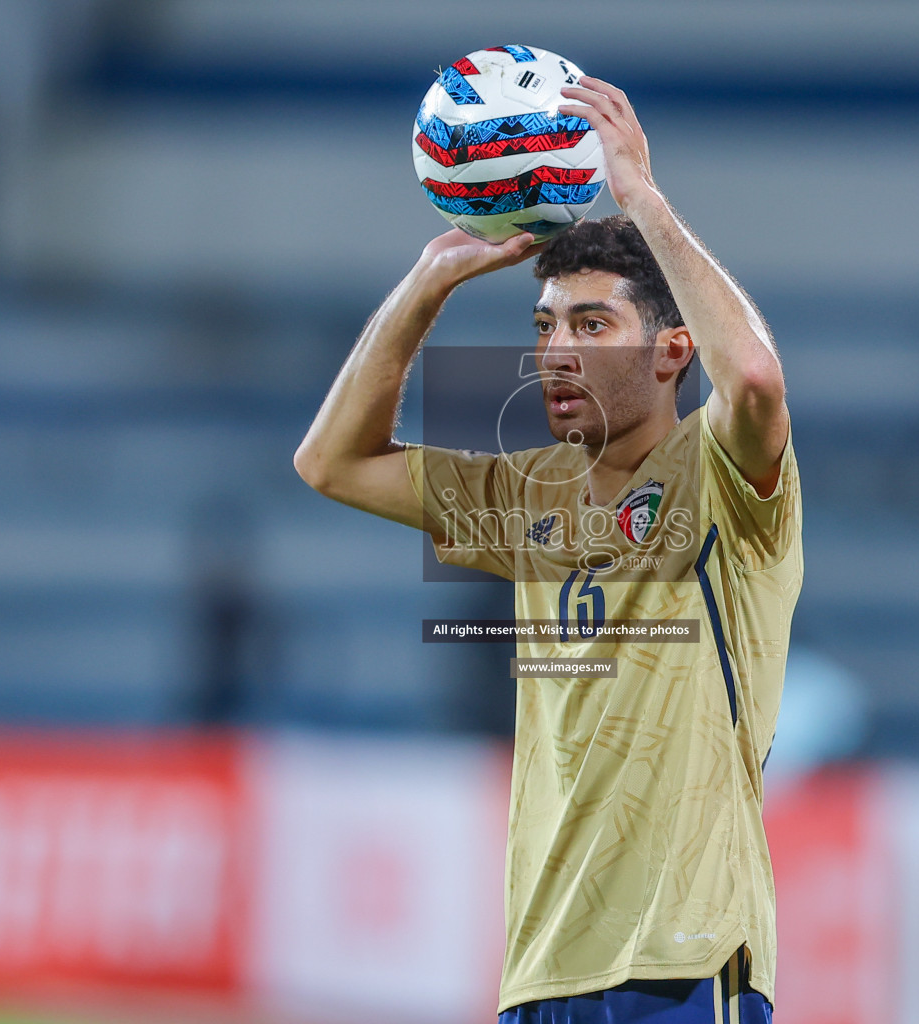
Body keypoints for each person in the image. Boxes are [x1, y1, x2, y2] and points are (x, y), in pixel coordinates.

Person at [296, 75, 801, 1024]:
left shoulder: (721, 479)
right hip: (541, 972)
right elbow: (330, 461)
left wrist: (642, 198)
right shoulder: (527, 494)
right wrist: (426, 284)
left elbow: (761, 381)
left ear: (672, 351)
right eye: (545, 327)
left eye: (593, 325)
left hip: (681, 965)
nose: (557, 352)